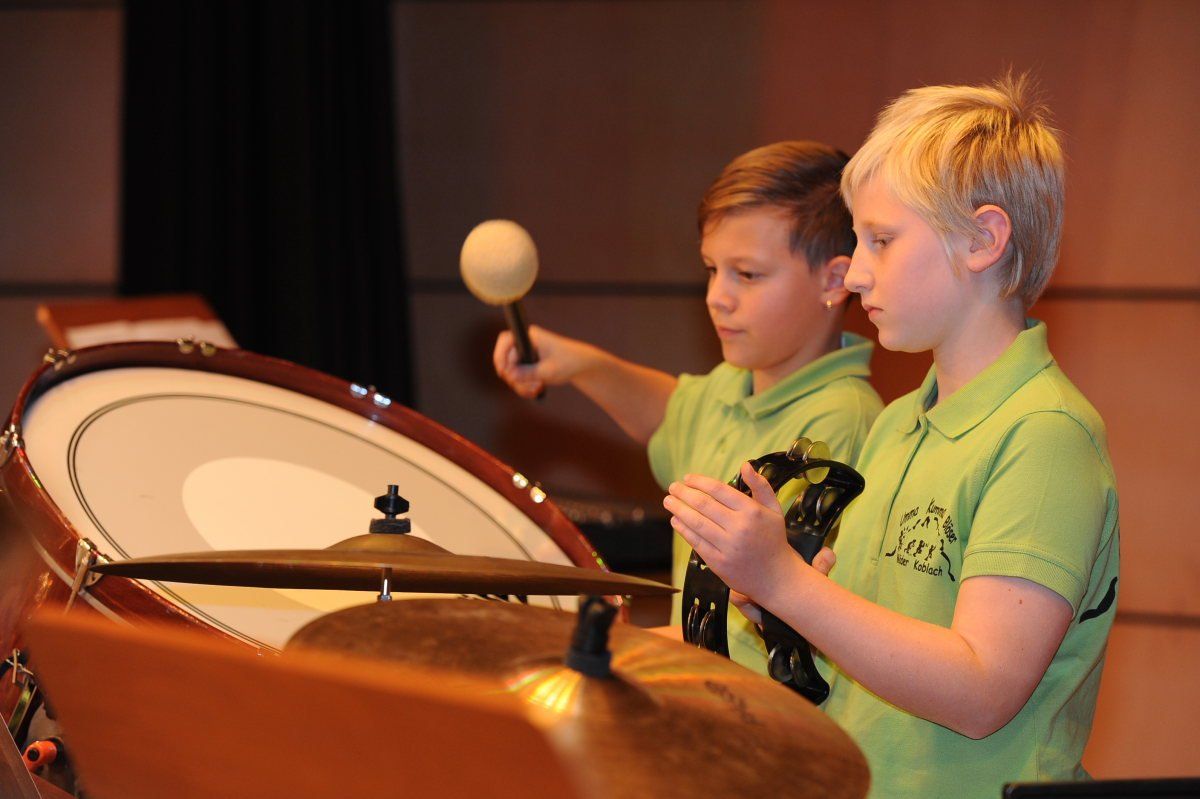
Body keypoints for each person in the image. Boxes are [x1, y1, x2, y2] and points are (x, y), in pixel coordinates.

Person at [665, 75, 1120, 797]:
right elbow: (865, 647)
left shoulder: (1045, 435)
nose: (857, 273)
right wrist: (777, 599)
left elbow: (982, 690)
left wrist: (785, 581)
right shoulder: (900, 422)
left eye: (881, 240)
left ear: (983, 240)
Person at [494, 141, 883, 673]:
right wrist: (580, 365)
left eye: (747, 274)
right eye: (711, 269)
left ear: (834, 281)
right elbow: (673, 410)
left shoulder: (840, 421)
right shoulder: (733, 386)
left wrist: (616, 648)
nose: (717, 296)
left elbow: (771, 629)